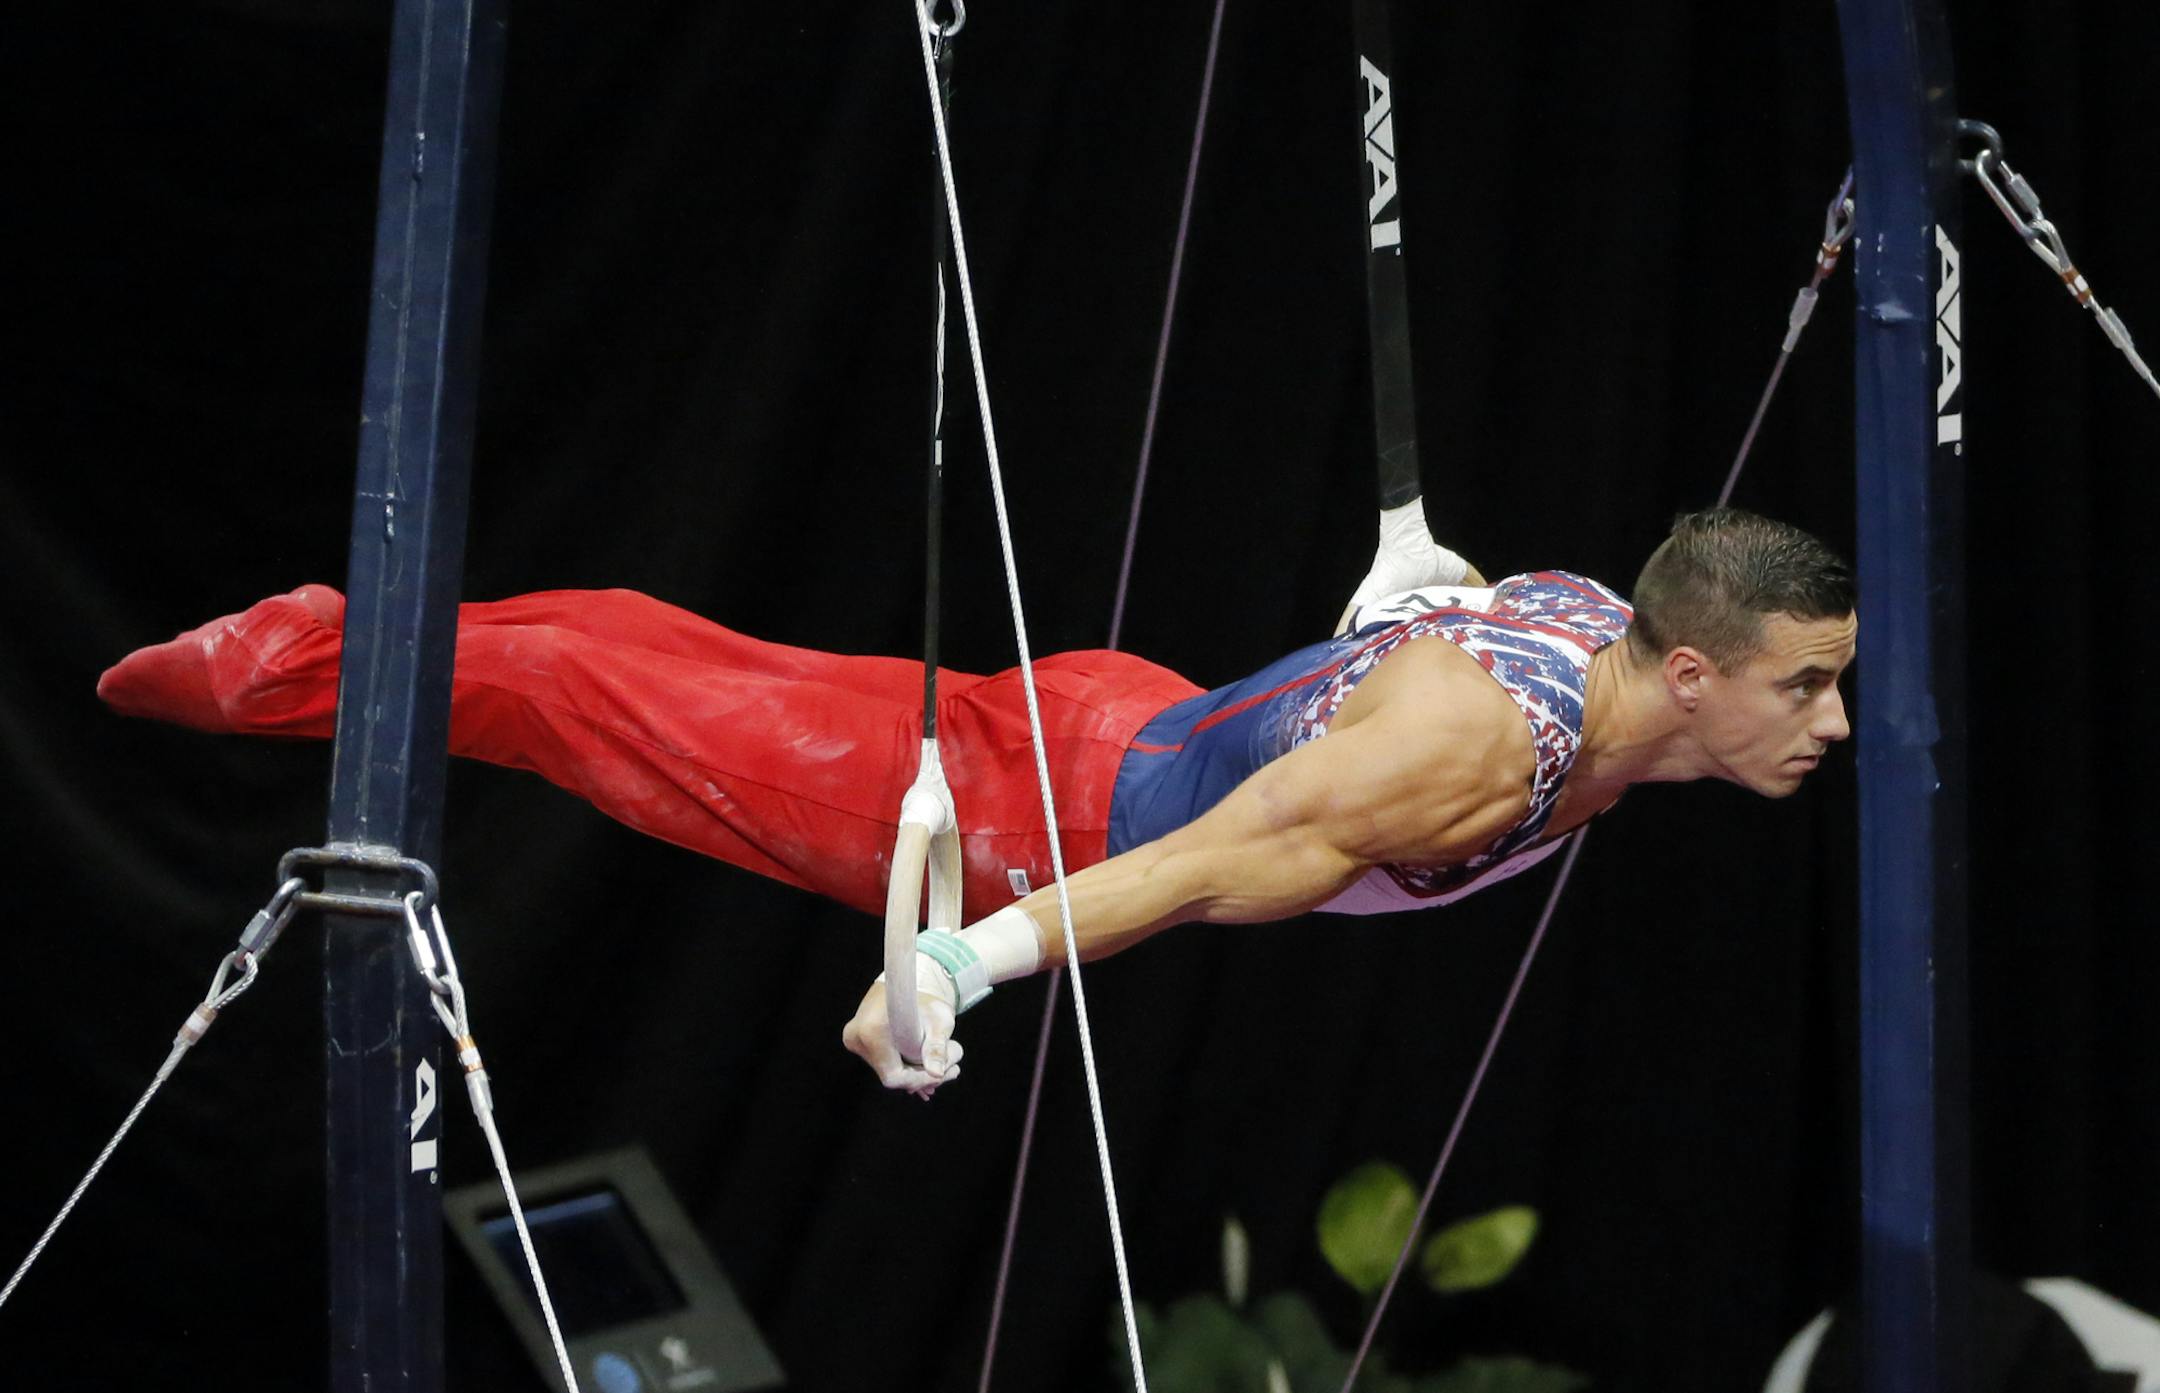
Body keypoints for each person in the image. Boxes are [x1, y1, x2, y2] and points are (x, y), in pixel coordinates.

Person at [96, 507, 1854, 1096]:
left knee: (649, 646)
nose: (1832, 719)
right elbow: (1199, 868)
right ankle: (275, 666)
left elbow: (1420, 646)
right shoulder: (1480, 756)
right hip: (1061, 807)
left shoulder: (1582, 620)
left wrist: (1401, 589)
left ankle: (336, 633)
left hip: (1127, 710)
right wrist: (960, 964)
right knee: (597, 701)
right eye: (1807, 683)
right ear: (1691, 671)